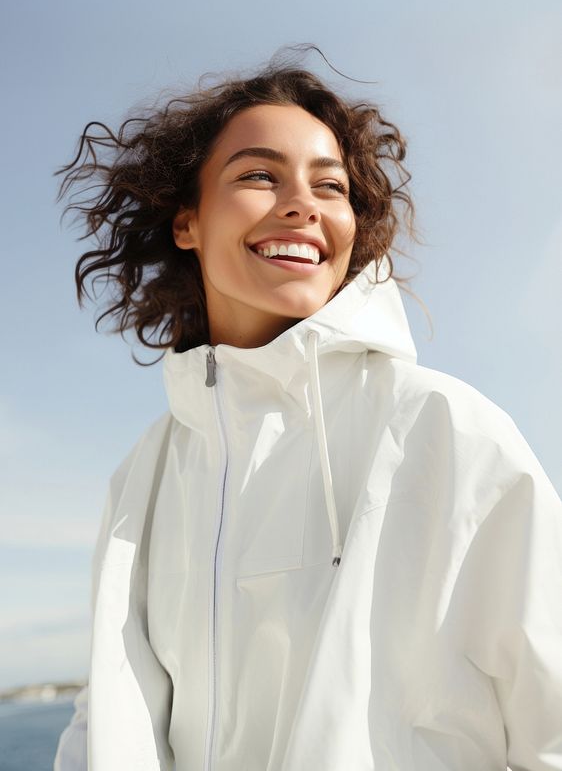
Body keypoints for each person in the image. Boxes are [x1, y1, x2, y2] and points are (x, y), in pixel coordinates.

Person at [53, 51, 562, 771]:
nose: (305, 204)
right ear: (186, 221)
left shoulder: (442, 428)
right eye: (260, 175)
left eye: (331, 185)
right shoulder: (146, 477)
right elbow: (102, 722)